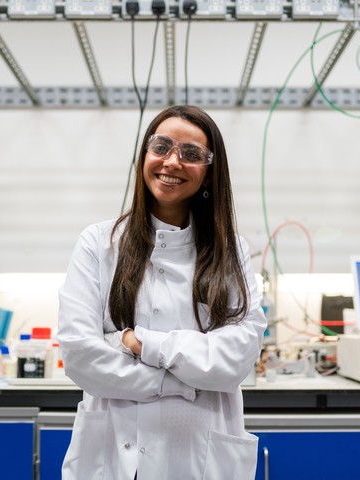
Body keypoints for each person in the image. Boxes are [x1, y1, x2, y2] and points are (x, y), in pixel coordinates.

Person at [57, 105, 267, 479]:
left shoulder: (231, 252)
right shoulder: (99, 243)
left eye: (191, 154)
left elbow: (236, 360)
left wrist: (139, 344)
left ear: (208, 173)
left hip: (199, 459)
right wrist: (179, 382)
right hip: (112, 457)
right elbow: (80, 354)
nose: (172, 162)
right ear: (144, 156)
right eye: (162, 147)